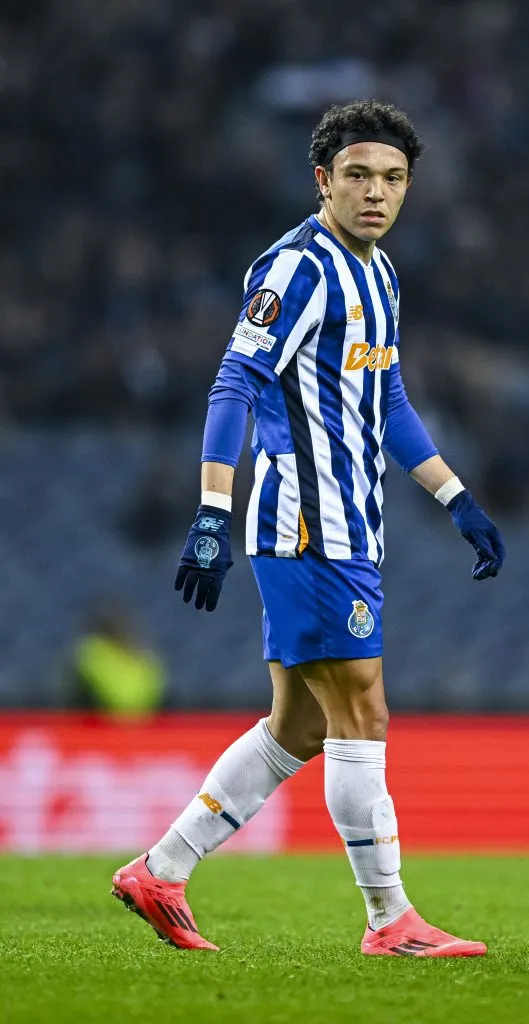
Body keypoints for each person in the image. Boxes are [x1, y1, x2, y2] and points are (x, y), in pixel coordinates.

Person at [112, 100, 505, 957]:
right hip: (305, 526)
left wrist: (454, 498)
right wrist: (213, 511)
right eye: (358, 175)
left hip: (352, 525)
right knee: (363, 709)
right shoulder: (296, 269)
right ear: (322, 179)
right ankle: (388, 919)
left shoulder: (382, 274)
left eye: (393, 178)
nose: (376, 193)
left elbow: (387, 398)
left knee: (300, 727)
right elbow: (232, 385)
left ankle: (160, 870)